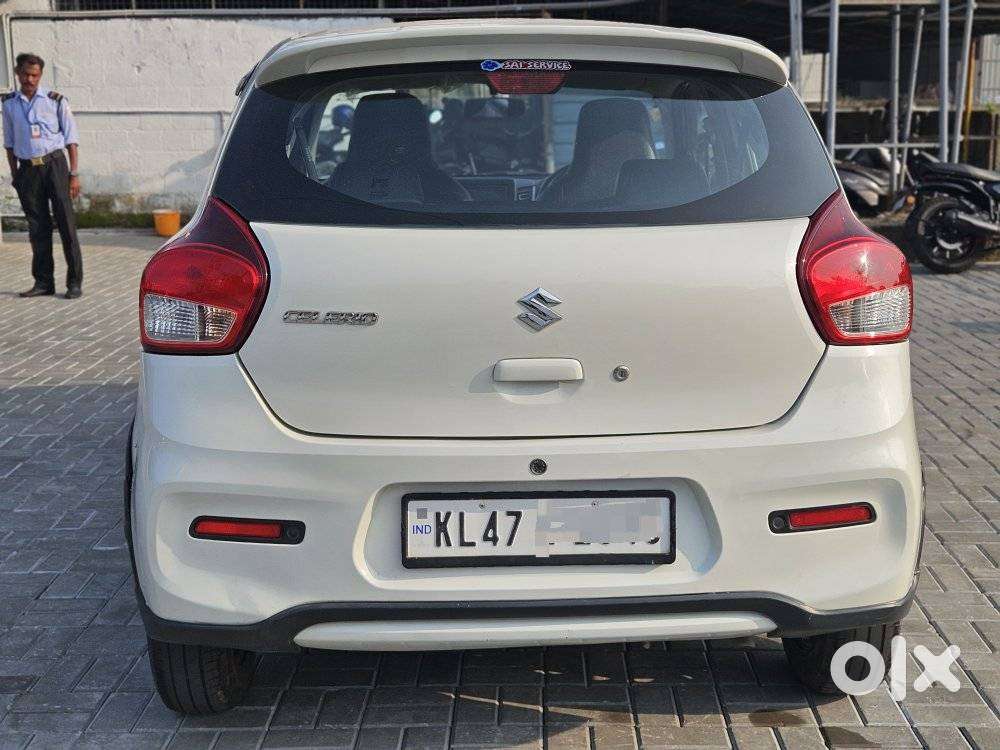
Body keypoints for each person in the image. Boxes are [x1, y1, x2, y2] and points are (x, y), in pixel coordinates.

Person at [3, 52, 83, 299]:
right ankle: (43, 282)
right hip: (28, 170)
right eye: (26, 74)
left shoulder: (55, 100)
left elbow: (71, 140)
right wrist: (16, 176)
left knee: (66, 226)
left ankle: (74, 283)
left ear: (40, 75)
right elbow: (9, 143)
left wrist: (74, 174)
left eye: (34, 75)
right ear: (17, 73)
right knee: (37, 228)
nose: (30, 79)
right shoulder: (9, 104)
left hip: (54, 166)